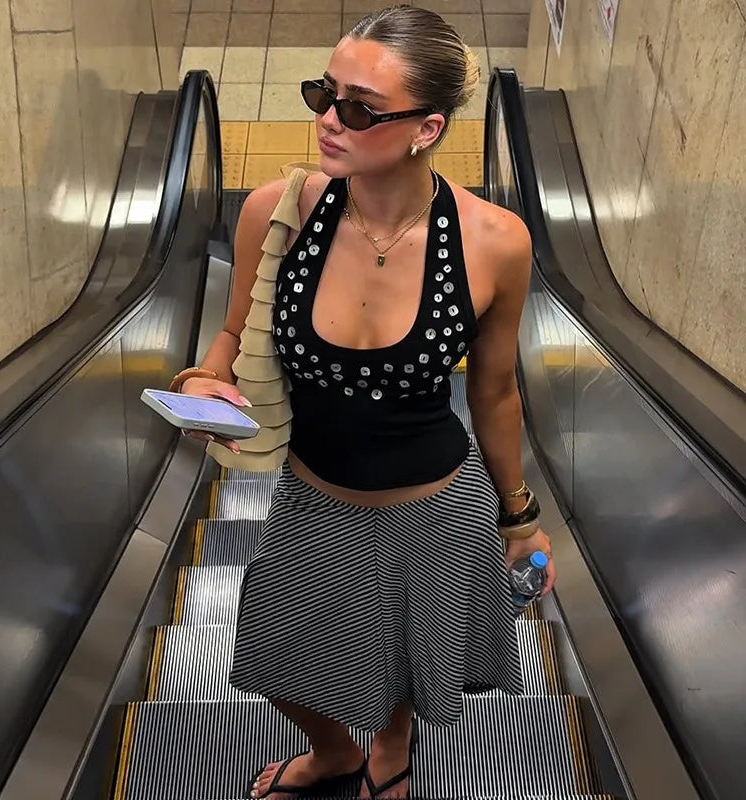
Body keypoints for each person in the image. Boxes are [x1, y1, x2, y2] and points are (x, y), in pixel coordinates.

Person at [175, 5, 556, 798]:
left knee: (411, 662)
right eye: (324, 92)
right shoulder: (278, 214)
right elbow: (234, 333)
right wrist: (200, 382)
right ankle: (337, 751)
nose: (326, 121)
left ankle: (389, 742)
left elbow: (493, 390)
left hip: (437, 505)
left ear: (427, 127)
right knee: (275, 660)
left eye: (358, 108)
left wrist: (517, 515)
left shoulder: (494, 242)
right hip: (314, 497)